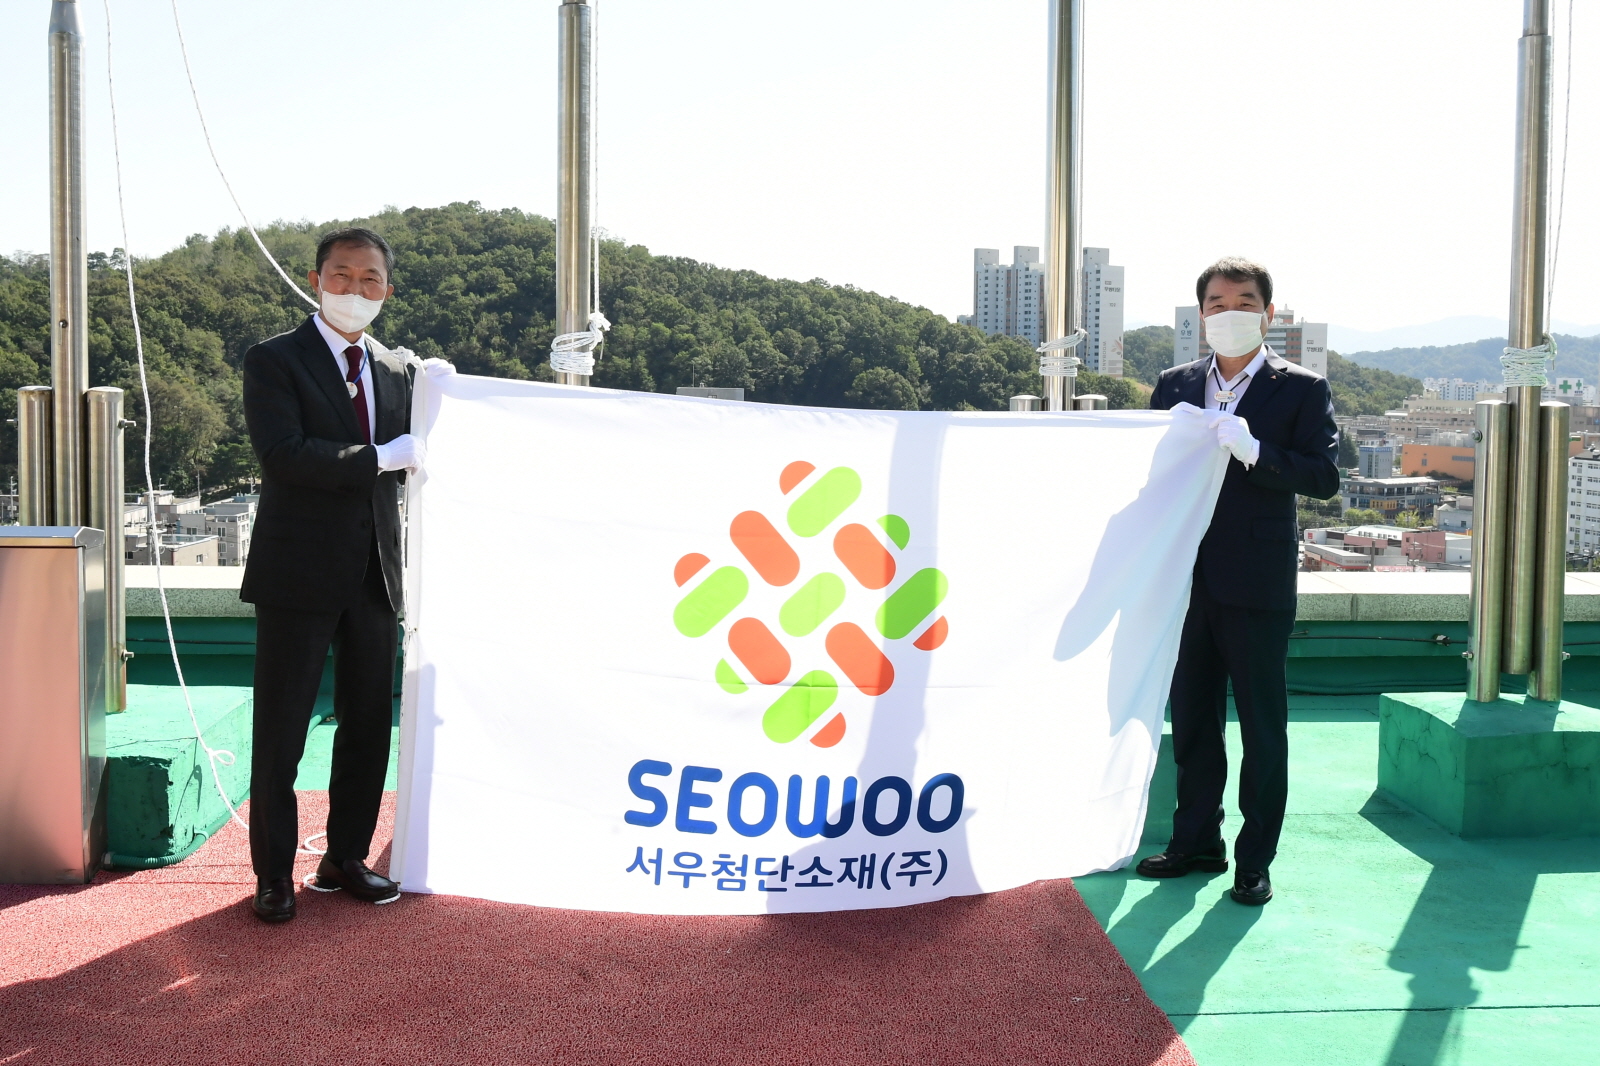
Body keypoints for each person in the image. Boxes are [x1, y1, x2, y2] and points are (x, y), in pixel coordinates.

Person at [240, 227, 428, 923]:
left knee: (368, 726)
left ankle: (345, 857)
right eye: (342, 275)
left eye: (370, 278)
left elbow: (433, 449)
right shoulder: (274, 359)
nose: (355, 289)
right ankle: (273, 874)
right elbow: (283, 453)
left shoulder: (398, 371)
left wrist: (450, 392)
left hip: (375, 574)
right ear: (316, 280)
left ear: (388, 290)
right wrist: (379, 456)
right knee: (282, 731)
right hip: (297, 572)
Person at [1142, 256, 1338, 906]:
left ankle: (1255, 861)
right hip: (1184, 579)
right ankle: (1196, 841)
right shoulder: (1175, 384)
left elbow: (1324, 477)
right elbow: (1147, 473)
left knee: (1262, 727)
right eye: (1217, 304)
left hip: (1256, 579)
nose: (1230, 314)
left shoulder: (1301, 388)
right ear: (1201, 315)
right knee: (1194, 721)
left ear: (1268, 313)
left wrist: (1258, 453)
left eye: (1244, 302)